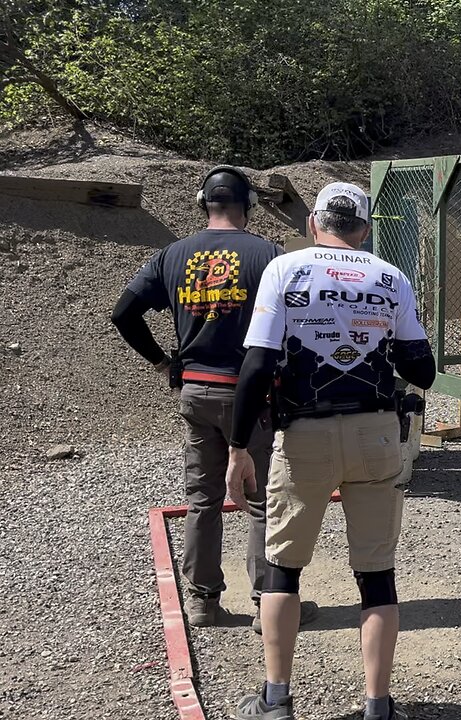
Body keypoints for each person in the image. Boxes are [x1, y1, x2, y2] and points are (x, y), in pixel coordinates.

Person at [225, 182, 435, 720]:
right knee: (377, 573)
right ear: (364, 229)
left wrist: (237, 448)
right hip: (377, 434)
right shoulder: (391, 278)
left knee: (283, 568)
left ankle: (275, 699)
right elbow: (421, 370)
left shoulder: (285, 269)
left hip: (305, 436)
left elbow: (257, 366)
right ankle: (377, 706)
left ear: (315, 222)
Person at [111, 165, 319, 632]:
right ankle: (270, 604)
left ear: (204, 203)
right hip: (253, 395)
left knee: (202, 498)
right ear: (246, 205)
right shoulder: (268, 254)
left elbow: (123, 314)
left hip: (197, 391)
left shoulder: (172, 254)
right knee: (264, 498)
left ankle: (204, 601)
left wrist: (164, 363)